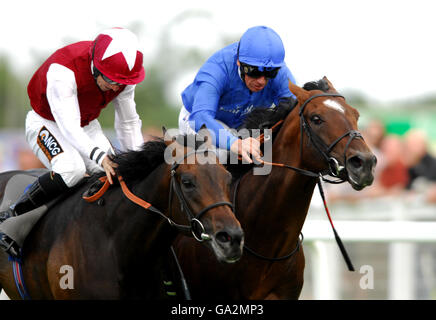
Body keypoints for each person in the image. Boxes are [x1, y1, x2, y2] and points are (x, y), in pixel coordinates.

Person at [0, 27, 145, 256]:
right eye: (111, 80)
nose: (117, 87)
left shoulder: (124, 79)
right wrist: (100, 155)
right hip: (46, 122)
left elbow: (128, 123)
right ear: (96, 67)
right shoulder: (63, 71)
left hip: (87, 125)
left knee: (117, 173)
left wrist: (138, 161)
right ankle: (14, 216)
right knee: (71, 170)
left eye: (121, 82)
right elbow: (68, 126)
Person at [178, 26, 296, 163]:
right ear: (239, 62)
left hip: (240, 126)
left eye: (270, 73)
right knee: (221, 155)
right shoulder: (217, 70)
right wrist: (235, 144)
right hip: (196, 119)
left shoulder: (280, 72)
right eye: (254, 72)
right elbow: (200, 117)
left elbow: (296, 110)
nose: (261, 81)